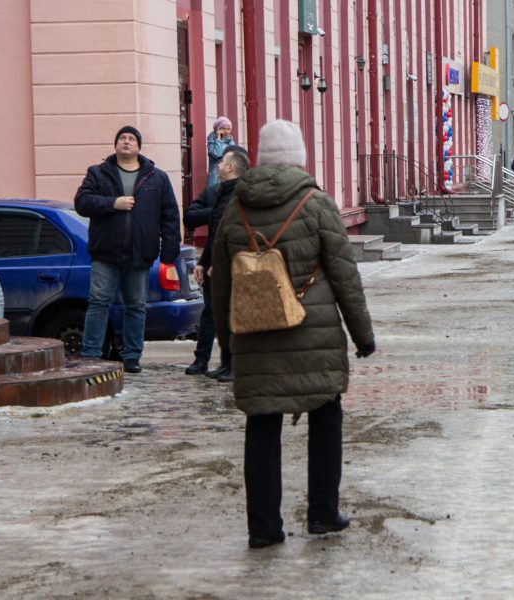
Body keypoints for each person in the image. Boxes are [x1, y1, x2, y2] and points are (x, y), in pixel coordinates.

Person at [211, 120, 375, 549]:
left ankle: (264, 528)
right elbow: (345, 275)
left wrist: (227, 346)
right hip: (313, 332)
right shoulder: (316, 203)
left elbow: (221, 283)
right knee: (326, 418)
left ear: (261, 159)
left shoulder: (236, 209)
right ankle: (322, 514)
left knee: (261, 428)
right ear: (299, 157)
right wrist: (363, 335)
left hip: (253, 336)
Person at [74, 126, 181, 373]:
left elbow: (170, 217)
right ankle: (91, 353)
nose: (126, 141)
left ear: (138, 147)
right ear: (116, 145)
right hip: (106, 253)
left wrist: (169, 255)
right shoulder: (98, 173)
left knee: (136, 305)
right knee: (98, 302)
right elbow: (82, 202)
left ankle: (132, 356)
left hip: (139, 253)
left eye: (131, 138)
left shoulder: (157, 177)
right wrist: (113, 203)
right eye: (122, 138)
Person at [183, 145, 250, 382]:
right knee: (216, 314)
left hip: (232, 267)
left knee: (232, 314)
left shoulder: (240, 195)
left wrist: (219, 263)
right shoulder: (220, 192)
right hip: (217, 264)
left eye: (221, 162)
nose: (218, 166)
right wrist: (204, 261)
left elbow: (234, 237)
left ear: (230, 166)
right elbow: (216, 235)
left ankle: (234, 365)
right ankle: (224, 363)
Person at [207, 117, 236, 186]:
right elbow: (217, 154)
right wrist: (218, 139)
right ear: (218, 129)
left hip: (229, 175)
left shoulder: (230, 141)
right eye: (224, 128)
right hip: (216, 177)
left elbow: (235, 155)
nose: (227, 131)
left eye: (228, 129)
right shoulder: (212, 141)